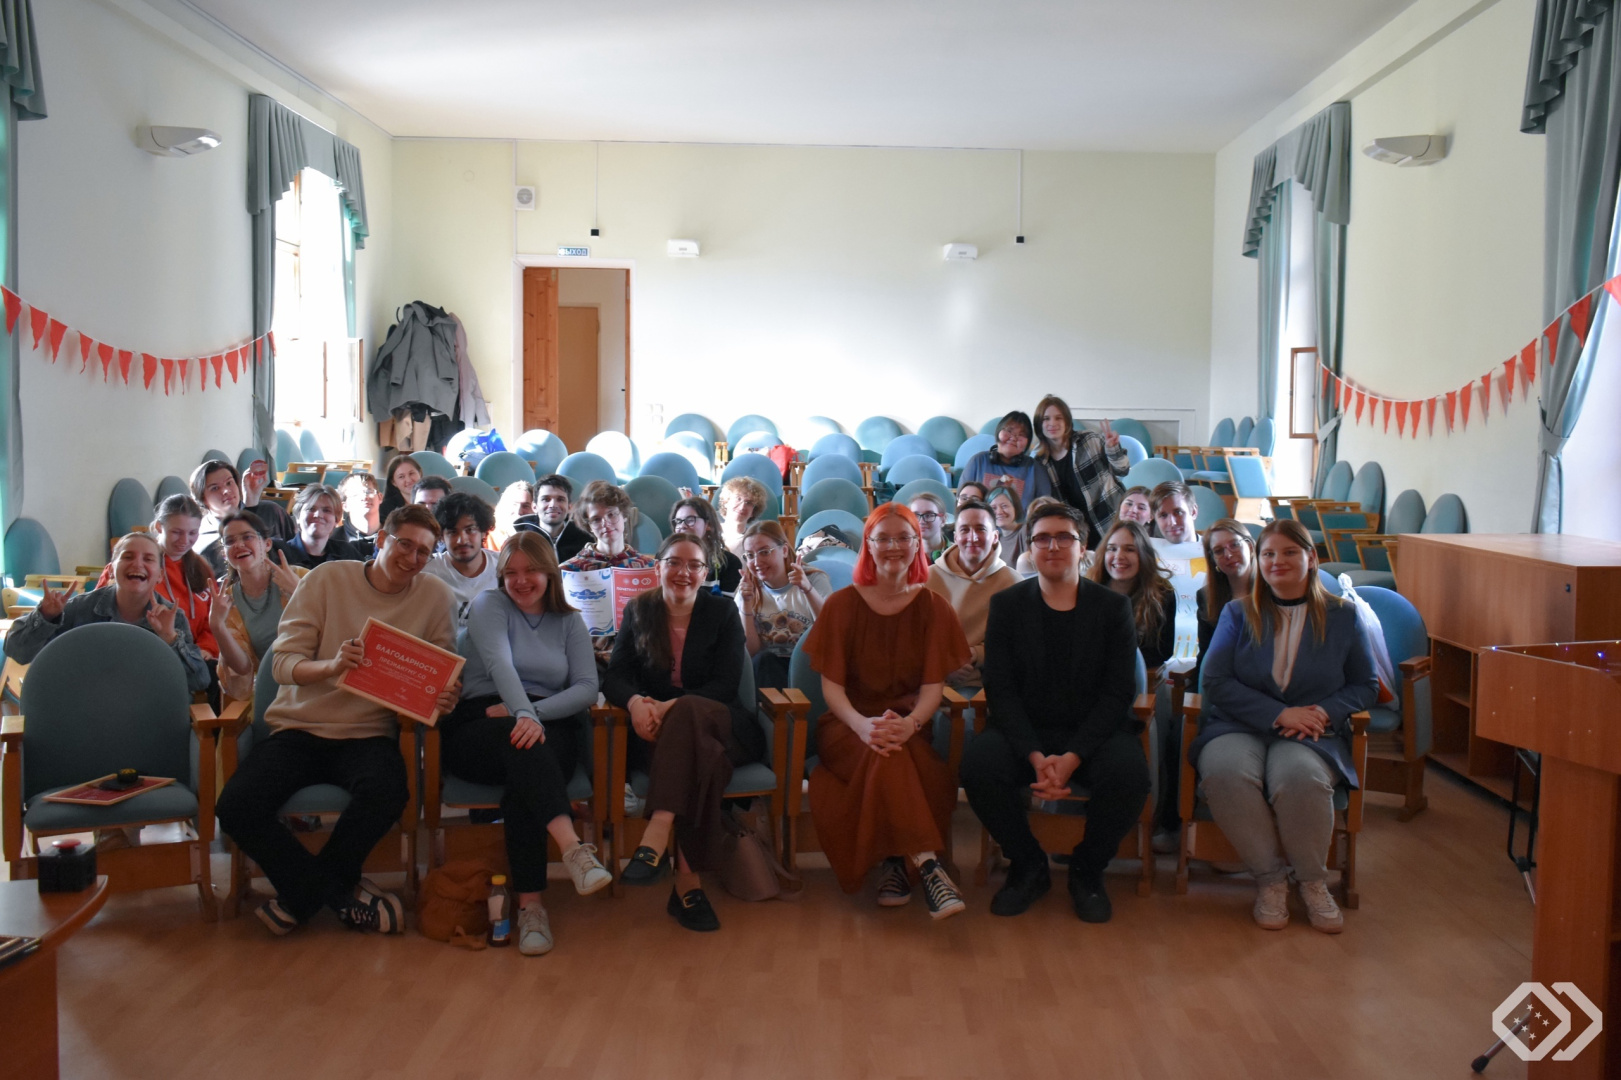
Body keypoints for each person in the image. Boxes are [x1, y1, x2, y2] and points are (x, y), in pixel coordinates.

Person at [216, 505, 459, 937]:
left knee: (388, 792)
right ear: (381, 539)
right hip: (299, 727)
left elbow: (436, 677)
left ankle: (301, 897)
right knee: (235, 805)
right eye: (404, 544)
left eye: (424, 552)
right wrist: (333, 667)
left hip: (368, 734)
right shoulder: (326, 580)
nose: (412, 558)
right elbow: (282, 665)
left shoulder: (436, 597)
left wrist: (444, 697)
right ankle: (336, 892)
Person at [961, 502, 1147, 923]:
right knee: (979, 765)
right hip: (1027, 732)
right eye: (1042, 538)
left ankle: (1087, 869)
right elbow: (1001, 689)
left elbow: (1119, 691)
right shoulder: (1007, 605)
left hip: (1093, 734)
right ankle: (1028, 865)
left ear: (1083, 547)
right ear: (1029, 547)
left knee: (1129, 774)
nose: (1053, 546)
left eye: (1064, 537)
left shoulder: (1112, 608)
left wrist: (1073, 757)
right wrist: (1035, 755)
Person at [1190, 519, 1376, 934]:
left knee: (1300, 778)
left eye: (1289, 552)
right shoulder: (1238, 613)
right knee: (1224, 772)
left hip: (1311, 731)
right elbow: (1215, 680)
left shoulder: (1343, 616)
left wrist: (1325, 711)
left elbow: (1365, 685)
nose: (1277, 561)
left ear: (1311, 558)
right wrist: (1278, 714)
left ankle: (1312, 882)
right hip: (1239, 725)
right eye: (1269, 553)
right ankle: (1271, 880)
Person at [800, 503, 972, 919]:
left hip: (907, 728)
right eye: (883, 539)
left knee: (892, 754)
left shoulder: (934, 607)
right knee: (888, 752)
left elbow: (933, 688)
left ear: (918, 545)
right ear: (868, 546)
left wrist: (910, 724)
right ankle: (929, 866)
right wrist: (863, 725)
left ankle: (897, 866)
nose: (894, 546)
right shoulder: (841, 605)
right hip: (846, 728)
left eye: (903, 538)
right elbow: (831, 689)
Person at [448, 532, 614, 955]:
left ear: (550, 573)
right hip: (483, 720)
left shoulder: (569, 621)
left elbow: (586, 687)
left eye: (532, 570)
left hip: (548, 720)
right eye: (511, 573)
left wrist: (530, 714)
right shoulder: (489, 604)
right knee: (523, 747)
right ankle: (572, 849)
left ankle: (531, 908)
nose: (521, 581)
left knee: (526, 768)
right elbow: (500, 665)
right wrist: (521, 714)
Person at [604, 533, 763, 932]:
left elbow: (725, 685)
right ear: (657, 567)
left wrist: (669, 706)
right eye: (674, 562)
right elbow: (616, 677)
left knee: (690, 711)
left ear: (705, 573)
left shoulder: (722, 612)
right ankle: (687, 885)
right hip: (663, 736)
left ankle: (658, 828)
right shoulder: (639, 610)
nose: (683, 572)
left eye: (694, 565)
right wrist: (637, 704)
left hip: (724, 725)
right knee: (703, 760)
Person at [6, 532, 211, 693]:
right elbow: (16, 650)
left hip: (146, 710)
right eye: (127, 556)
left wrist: (170, 638)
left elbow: (199, 681)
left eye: (148, 559)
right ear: (111, 569)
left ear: (160, 575)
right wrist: (45, 617)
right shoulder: (79, 608)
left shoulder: (172, 617)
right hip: (84, 705)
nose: (137, 564)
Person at [94, 494, 219, 665]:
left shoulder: (202, 569)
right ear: (159, 527)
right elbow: (99, 613)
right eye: (176, 532)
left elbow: (214, 619)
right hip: (137, 657)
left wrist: (206, 648)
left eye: (192, 533)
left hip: (192, 660)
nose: (185, 540)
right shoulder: (130, 568)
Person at [211, 509, 307, 702]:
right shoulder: (226, 601)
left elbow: (333, 627)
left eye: (247, 537)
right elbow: (243, 669)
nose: (239, 545)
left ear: (267, 544)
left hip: (315, 679)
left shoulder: (298, 576)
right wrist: (217, 626)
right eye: (230, 541)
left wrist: (299, 592)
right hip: (273, 691)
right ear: (224, 553)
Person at [924, 498, 1019, 688]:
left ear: (995, 537)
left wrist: (976, 655)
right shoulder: (928, 578)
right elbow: (913, 637)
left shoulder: (1013, 583)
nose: (972, 537)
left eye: (981, 529)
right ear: (956, 536)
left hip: (986, 684)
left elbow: (1018, 643)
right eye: (965, 530)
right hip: (931, 680)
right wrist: (944, 663)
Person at [737, 520, 831, 689]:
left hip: (809, 665)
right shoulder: (748, 589)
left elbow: (830, 632)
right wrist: (746, 605)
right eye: (750, 555)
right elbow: (751, 652)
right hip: (768, 670)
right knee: (763, 661)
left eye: (764, 552)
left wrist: (807, 589)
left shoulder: (813, 579)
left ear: (785, 551)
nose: (757, 562)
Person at [1033, 395, 1130, 547]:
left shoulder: (1089, 440)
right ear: (1039, 424)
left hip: (1110, 519)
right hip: (1077, 533)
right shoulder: (1040, 462)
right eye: (1046, 419)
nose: (1052, 423)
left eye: (1058, 418)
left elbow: (1123, 470)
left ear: (1067, 421)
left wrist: (1113, 450)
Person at [1087, 520, 1176, 671]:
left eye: (1129, 549)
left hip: (1139, 675)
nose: (1119, 556)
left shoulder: (1163, 592)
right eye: (1112, 549)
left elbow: (1161, 652)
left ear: (1144, 555)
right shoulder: (1089, 590)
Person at [192, 458, 293, 573]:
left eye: (229, 483)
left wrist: (251, 507)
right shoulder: (200, 538)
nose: (226, 491)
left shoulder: (271, 512)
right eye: (215, 488)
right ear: (202, 498)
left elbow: (296, 552)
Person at [424, 492, 499, 630]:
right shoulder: (426, 571)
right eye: (453, 532)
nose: (462, 540)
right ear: (441, 537)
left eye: (470, 530)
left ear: (483, 532)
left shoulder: (504, 566)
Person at [958, 410, 1054, 506]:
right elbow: (962, 504)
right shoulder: (978, 462)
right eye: (1009, 431)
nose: (1013, 438)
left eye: (1021, 434)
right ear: (998, 432)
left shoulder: (1036, 469)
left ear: (1027, 443)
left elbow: (1045, 508)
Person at [1198, 518, 1257, 667]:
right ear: (1213, 559)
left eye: (1235, 545)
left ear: (1250, 547)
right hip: (1222, 675)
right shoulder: (1206, 597)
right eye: (1218, 551)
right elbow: (1206, 655)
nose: (1228, 555)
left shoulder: (1273, 590)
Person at [275, 485, 371, 569]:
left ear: (336, 520)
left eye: (326, 510)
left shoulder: (347, 553)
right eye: (311, 509)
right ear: (298, 517)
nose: (318, 515)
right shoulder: (281, 555)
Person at [514, 473, 593, 563]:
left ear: (569, 507)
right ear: (534, 507)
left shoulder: (586, 540)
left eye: (560, 499)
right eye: (546, 499)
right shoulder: (521, 541)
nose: (553, 505)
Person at [671, 496, 743, 594]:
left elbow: (724, 603)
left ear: (709, 524)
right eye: (678, 521)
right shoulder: (665, 559)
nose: (682, 526)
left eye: (690, 520)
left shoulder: (729, 563)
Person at [716, 475, 769, 558]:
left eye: (749, 503)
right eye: (738, 499)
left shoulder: (754, 540)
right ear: (726, 502)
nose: (742, 507)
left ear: (753, 512)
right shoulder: (710, 533)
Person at [1150, 480, 1199, 545]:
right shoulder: (1148, 550)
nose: (1172, 523)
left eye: (1178, 512)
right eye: (1163, 515)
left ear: (1193, 512)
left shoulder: (1211, 549)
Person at [339, 473, 382, 544]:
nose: (364, 497)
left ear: (380, 497)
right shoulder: (333, 541)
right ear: (345, 506)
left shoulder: (395, 536)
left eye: (368, 492)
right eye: (355, 494)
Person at [378, 453, 423, 522]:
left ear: (420, 473)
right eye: (401, 477)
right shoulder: (386, 509)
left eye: (411, 473)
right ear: (394, 482)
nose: (408, 480)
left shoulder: (434, 500)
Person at [490, 481, 534, 551]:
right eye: (514, 504)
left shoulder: (539, 540)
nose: (519, 512)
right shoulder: (488, 539)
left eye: (525, 506)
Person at [988, 486, 1025, 566]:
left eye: (1004, 506)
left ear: (1015, 507)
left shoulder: (1026, 531)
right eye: (994, 508)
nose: (999, 512)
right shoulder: (994, 540)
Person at [908, 492, 951, 562]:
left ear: (943, 520)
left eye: (928, 515)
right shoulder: (905, 555)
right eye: (915, 515)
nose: (921, 521)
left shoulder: (958, 553)